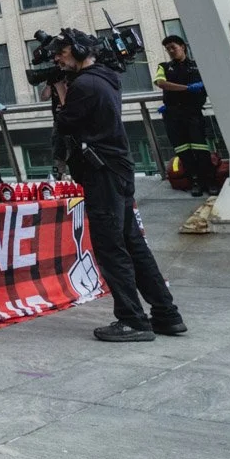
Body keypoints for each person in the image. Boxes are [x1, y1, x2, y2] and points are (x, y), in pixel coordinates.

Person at [52, 29, 186, 343]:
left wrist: (60, 90)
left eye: (61, 52)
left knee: (111, 248)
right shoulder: (106, 77)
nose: (57, 59)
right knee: (133, 244)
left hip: (102, 173)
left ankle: (132, 320)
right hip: (117, 169)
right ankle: (167, 314)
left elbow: (66, 122)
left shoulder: (84, 84)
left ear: (79, 49)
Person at [154, 35, 217, 197]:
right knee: (183, 150)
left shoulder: (197, 66)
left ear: (182, 47)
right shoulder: (164, 67)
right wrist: (187, 88)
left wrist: (202, 87)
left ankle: (209, 181)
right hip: (173, 115)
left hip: (193, 113)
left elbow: (211, 84)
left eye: (173, 47)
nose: (170, 51)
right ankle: (194, 181)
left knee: (200, 148)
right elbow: (161, 83)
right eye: (167, 49)